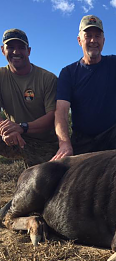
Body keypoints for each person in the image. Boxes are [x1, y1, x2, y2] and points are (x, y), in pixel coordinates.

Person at [51, 15, 116, 160]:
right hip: (83, 138)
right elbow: (61, 111)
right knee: (65, 171)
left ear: (103, 41)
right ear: (79, 40)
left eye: (97, 36)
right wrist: (64, 143)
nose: (93, 40)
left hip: (114, 131)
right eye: (88, 36)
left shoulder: (115, 63)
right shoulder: (68, 72)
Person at [0, 29, 58, 167]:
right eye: (11, 47)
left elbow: (53, 117)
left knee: (41, 180)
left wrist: (22, 127)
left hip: (44, 142)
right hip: (14, 136)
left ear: (29, 51)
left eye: (21, 47)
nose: (16, 52)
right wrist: (5, 129)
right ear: (3, 50)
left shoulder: (47, 78)